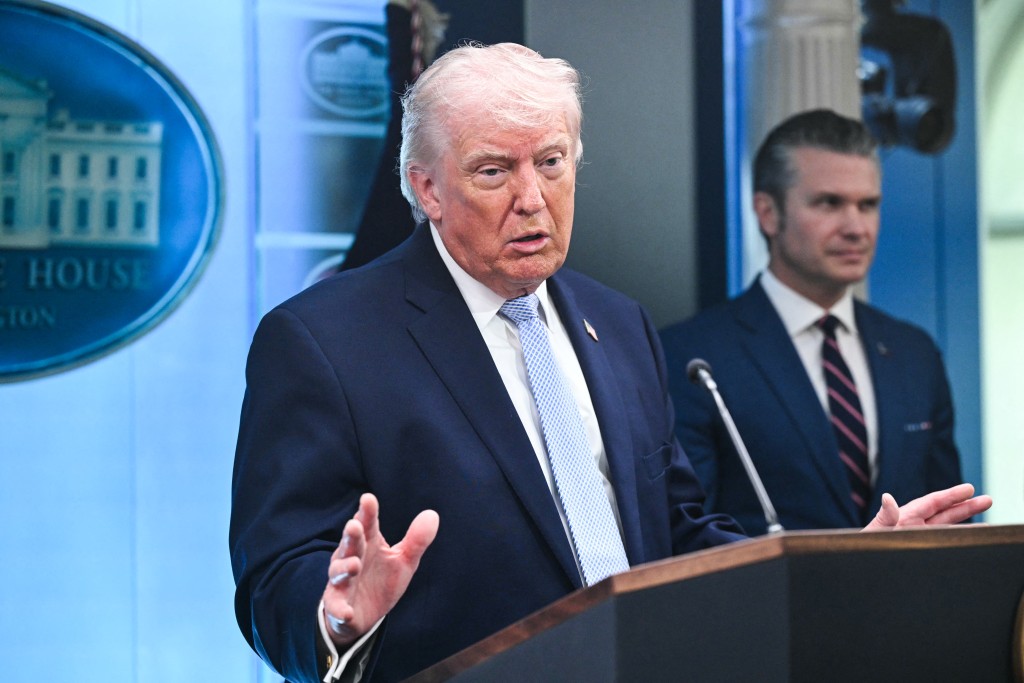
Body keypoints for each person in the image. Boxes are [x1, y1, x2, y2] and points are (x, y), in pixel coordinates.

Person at [229, 51, 990, 683]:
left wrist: (837, 564)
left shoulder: (618, 323)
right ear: (427, 186)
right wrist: (335, 619)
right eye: (493, 172)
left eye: (552, 163)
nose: (533, 199)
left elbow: (678, 533)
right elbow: (276, 575)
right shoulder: (323, 340)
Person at [660, 109, 968, 536]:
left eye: (868, 205)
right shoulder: (691, 357)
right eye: (829, 203)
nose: (856, 227)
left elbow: (951, 518)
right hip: (767, 582)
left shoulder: (914, 353)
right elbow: (689, 532)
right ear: (768, 213)